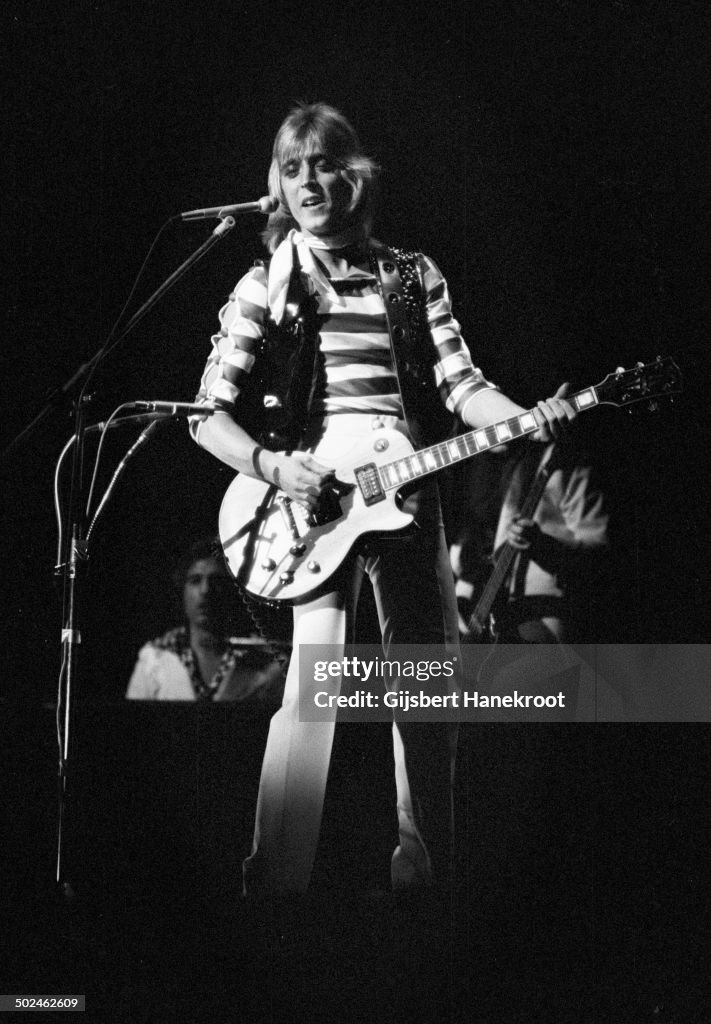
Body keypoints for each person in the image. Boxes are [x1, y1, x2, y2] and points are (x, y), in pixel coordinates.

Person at [188, 102, 577, 898]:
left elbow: (459, 383)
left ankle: (424, 884)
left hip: (409, 491)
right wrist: (269, 465)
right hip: (314, 500)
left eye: (323, 163)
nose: (309, 182)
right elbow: (205, 416)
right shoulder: (268, 280)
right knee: (311, 694)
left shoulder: (411, 272)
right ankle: (274, 889)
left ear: (353, 173)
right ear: (277, 184)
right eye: (292, 169)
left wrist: (521, 417)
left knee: (425, 689)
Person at [451, 439, 609, 643]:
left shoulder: (574, 461)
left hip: (542, 609)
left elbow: (598, 560)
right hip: (492, 608)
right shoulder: (510, 460)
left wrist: (540, 544)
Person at [126, 538, 287, 703]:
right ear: (183, 590)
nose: (206, 590)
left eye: (216, 581)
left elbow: (309, 715)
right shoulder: (154, 658)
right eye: (195, 580)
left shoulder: (262, 659)